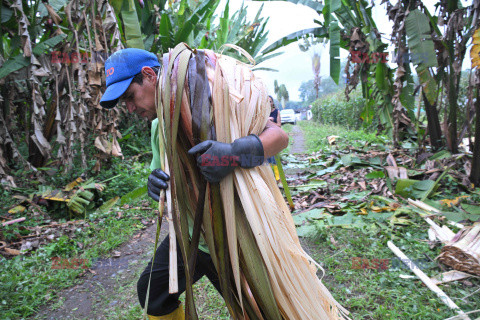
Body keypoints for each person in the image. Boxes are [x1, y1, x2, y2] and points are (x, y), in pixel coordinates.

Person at [99, 48, 288, 320]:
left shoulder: (214, 100)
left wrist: (232, 153)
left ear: (149, 75)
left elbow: (279, 137)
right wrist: (156, 185)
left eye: (130, 96)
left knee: (259, 312)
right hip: (191, 235)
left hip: (235, 235)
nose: (130, 108)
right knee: (153, 292)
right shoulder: (157, 127)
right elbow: (161, 172)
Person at [267, 96, 281, 182]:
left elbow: (279, 125)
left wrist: (270, 122)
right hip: (265, 137)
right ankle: (270, 178)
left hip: (274, 136)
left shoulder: (276, 111)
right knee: (267, 158)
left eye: (270, 101)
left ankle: (277, 178)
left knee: (274, 158)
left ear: (272, 103)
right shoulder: (262, 112)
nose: (269, 103)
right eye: (267, 101)